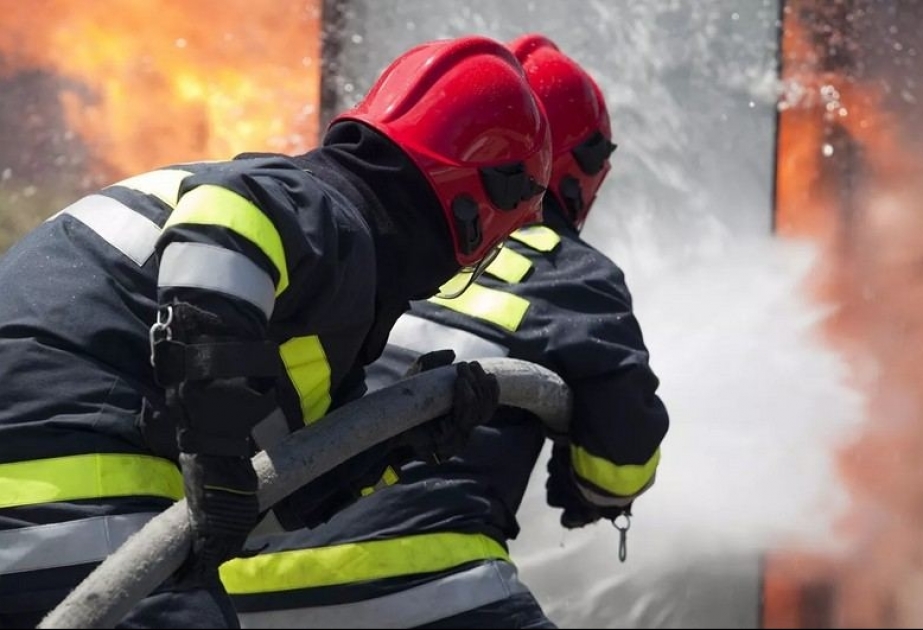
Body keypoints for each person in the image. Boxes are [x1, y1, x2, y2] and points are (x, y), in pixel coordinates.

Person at [0, 35, 552, 628]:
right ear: (480, 203)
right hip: (76, 502)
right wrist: (213, 455)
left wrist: (398, 447)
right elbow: (229, 221)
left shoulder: (294, 298)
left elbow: (250, 510)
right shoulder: (323, 211)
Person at [220, 33, 670, 629]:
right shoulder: (567, 271)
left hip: (232, 587)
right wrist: (589, 488)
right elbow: (620, 465)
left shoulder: (356, 242)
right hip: (417, 581)